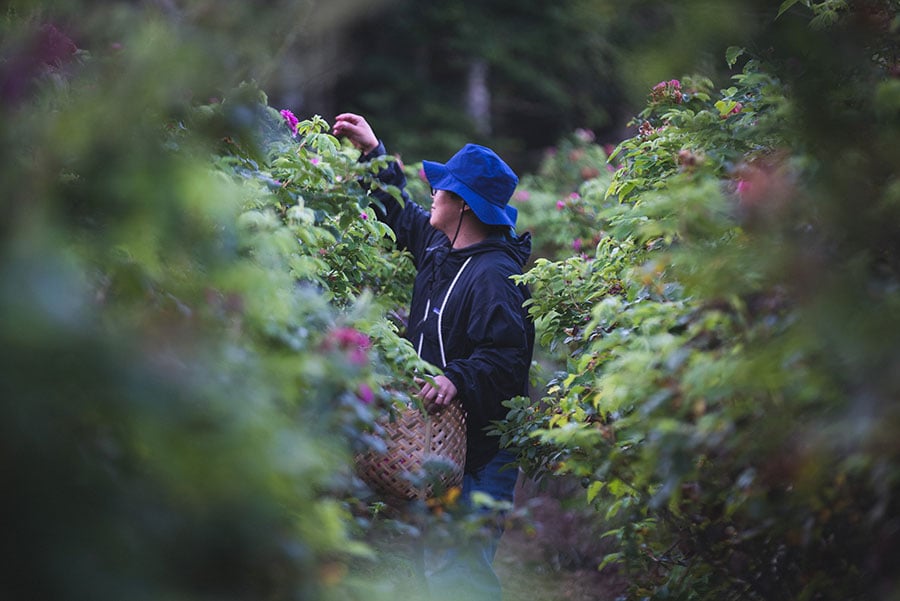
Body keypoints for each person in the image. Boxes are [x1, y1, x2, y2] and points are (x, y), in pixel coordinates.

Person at [333, 113, 535, 601]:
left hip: (482, 455)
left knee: (461, 572)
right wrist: (373, 150)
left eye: (442, 191)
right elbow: (401, 215)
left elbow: (507, 360)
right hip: (441, 446)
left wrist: (456, 378)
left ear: (462, 207)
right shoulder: (445, 250)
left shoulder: (494, 279)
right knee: (435, 572)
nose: (433, 197)